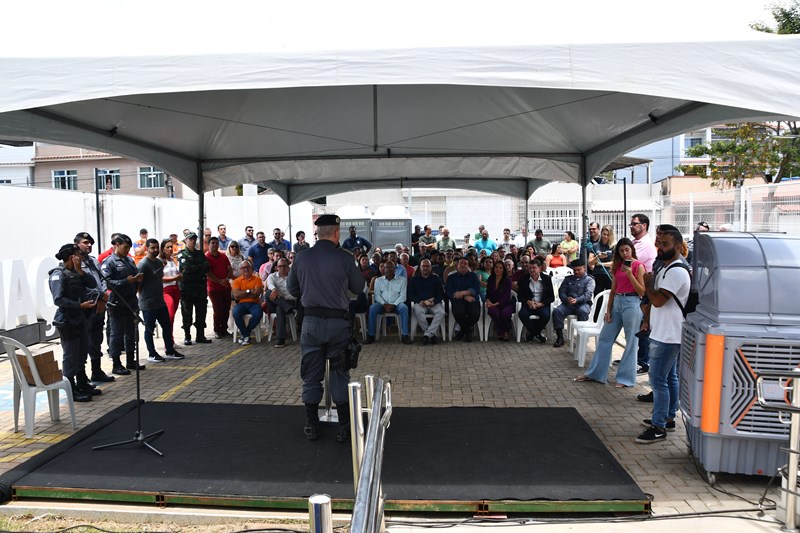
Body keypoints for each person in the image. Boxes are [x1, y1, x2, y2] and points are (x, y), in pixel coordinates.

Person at [287, 214, 365, 443]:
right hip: (337, 324)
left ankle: (312, 424)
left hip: (310, 322)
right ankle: (343, 427)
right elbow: (358, 288)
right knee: (340, 373)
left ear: (317, 233)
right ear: (336, 233)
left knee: (311, 376)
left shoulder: (301, 258)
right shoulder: (345, 257)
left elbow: (292, 289)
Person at [636, 229, 691, 444]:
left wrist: (648, 283)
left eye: (666, 244)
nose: (660, 247)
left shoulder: (677, 271)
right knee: (668, 378)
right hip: (665, 332)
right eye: (659, 243)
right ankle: (667, 417)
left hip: (668, 335)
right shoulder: (668, 268)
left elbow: (658, 300)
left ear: (678, 247)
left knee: (658, 380)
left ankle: (659, 426)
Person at [574, 238, 645, 388]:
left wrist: (630, 275)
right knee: (605, 338)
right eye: (621, 250)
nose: (625, 253)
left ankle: (626, 379)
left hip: (632, 303)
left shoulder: (638, 266)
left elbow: (642, 291)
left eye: (627, 250)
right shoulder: (618, 266)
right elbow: (613, 290)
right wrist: (608, 310)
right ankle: (595, 373)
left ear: (632, 249)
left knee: (631, 342)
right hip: (617, 302)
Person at [49, 243, 98, 402]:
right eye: (79, 255)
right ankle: (71, 389)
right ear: (72, 257)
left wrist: (80, 271)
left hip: (81, 318)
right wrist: (79, 305)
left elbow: (92, 284)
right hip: (68, 320)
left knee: (81, 353)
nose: (82, 258)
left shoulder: (77, 272)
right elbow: (58, 299)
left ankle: (82, 383)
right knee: (70, 355)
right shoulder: (58, 275)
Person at [101, 234, 146, 375]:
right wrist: (127, 281)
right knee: (117, 334)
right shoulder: (109, 262)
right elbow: (106, 282)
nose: (127, 250)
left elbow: (135, 275)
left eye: (129, 248)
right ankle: (116, 364)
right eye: (125, 247)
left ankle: (131, 360)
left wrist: (138, 279)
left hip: (131, 301)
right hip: (117, 302)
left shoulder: (129, 260)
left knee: (131, 333)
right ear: (117, 245)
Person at [73, 232, 114, 384]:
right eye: (85, 242)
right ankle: (81, 377)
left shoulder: (93, 261)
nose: (89, 245)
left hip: (99, 305)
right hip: (86, 307)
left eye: (90, 243)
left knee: (97, 339)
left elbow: (101, 280)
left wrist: (104, 295)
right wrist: (100, 296)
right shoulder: (73, 262)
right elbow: (81, 286)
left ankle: (96, 371)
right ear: (76, 244)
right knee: (84, 343)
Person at [138, 238, 185, 362]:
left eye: (156, 247)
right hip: (148, 303)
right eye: (152, 248)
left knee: (167, 326)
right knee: (149, 329)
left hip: (160, 301)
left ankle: (169, 350)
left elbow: (159, 279)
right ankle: (152, 353)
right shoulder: (143, 264)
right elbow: (138, 285)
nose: (154, 250)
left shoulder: (159, 263)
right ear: (147, 248)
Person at [364, 260, 412, 345]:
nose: (389, 269)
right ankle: (371, 335)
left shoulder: (402, 280)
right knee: (372, 308)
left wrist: (394, 305)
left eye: (391, 267)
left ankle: (405, 335)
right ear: (383, 269)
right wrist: (384, 304)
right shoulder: (378, 280)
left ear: (395, 269)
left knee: (404, 308)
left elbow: (403, 296)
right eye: (386, 267)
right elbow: (377, 295)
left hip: (397, 304)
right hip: (382, 304)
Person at [177, 232, 212, 345]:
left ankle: (200, 335)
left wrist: (195, 268)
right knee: (187, 313)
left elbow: (207, 267)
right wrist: (199, 267)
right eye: (190, 239)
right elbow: (186, 269)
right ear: (185, 240)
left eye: (194, 239)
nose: (193, 241)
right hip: (187, 288)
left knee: (201, 312)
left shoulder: (200, 253)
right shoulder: (182, 254)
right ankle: (187, 336)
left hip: (200, 287)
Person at [551, 259, 595, 347]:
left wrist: (577, 300)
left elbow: (588, 295)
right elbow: (561, 292)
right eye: (574, 270)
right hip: (568, 304)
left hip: (583, 304)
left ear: (584, 268)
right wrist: (567, 299)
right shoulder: (568, 279)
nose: (576, 272)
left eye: (579, 270)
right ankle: (560, 337)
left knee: (583, 311)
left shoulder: (589, 280)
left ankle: (581, 338)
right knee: (557, 311)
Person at [516, 258, 554, 343]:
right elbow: (520, 296)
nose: (531, 270)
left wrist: (541, 304)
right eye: (530, 268)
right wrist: (528, 302)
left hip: (541, 304)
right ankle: (538, 334)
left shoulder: (547, 279)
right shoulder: (523, 279)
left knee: (545, 315)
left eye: (534, 268)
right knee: (522, 314)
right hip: (529, 304)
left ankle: (532, 334)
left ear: (539, 268)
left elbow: (551, 297)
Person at [408, 259, 445, 345]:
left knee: (441, 312)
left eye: (427, 266)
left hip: (433, 303)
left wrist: (435, 302)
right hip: (420, 303)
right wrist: (419, 301)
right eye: (423, 266)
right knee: (418, 312)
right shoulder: (414, 279)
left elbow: (441, 293)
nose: (425, 268)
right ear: (419, 267)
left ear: (431, 267)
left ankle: (427, 335)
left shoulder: (436, 278)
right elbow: (410, 294)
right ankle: (431, 335)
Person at [446, 258, 482, 342]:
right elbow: (449, 291)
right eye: (461, 263)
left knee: (475, 314)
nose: (463, 265)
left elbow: (476, 289)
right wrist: (465, 296)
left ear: (468, 266)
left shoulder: (473, 276)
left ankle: (463, 330)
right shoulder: (451, 277)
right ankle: (468, 331)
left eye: (465, 264)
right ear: (457, 266)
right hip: (458, 300)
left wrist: (464, 292)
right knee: (458, 313)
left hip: (472, 299)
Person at [266, 257, 298, 348]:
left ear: (288, 267)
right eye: (280, 266)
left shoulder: (293, 277)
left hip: (290, 301)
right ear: (276, 267)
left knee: (280, 308)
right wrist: (274, 289)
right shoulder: (272, 276)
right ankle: (287, 307)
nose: (282, 268)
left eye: (284, 266)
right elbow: (270, 284)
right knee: (269, 293)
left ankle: (280, 339)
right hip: (276, 301)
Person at [206, 236, 233, 339]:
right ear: (209, 245)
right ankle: (217, 330)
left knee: (226, 309)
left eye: (216, 243)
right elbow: (208, 273)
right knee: (218, 310)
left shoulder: (223, 256)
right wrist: (219, 281)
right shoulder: (206, 257)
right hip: (214, 289)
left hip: (226, 287)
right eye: (212, 243)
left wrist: (226, 279)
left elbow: (229, 269)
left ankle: (224, 329)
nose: (215, 245)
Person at [231, 260, 264, 346]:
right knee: (236, 313)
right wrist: (249, 291)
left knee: (258, 313)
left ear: (251, 268)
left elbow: (257, 293)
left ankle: (245, 334)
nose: (246, 269)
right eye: (243, 268)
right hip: (241, 304)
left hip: (254, 304)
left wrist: (243, 294)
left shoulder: (257, 279)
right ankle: (246, 335)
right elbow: (236, 295)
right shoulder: (237, 281)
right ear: (241, 270)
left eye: (248, 267)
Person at [160, 238, 182, 344]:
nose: (170, 249)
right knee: (170, 316)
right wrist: (174, 279)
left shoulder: (172, 260)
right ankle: (167, 343)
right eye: (167, 247)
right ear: (163, 249)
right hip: (166, 290)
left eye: (171, 247)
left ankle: (171, 341)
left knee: (173, 317)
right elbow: (160, 278)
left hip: (175, 289)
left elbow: (176, 274)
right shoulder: (161, 261)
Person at [485, 260, 514, 341]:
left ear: (503, 269)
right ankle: (503, 332)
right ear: (494, 268)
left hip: (506, 304)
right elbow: (487, 293)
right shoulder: (491, 278)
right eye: (496, 267)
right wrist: (488, 300)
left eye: (501, 268)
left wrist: (496, 304)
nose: (498, 269)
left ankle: (505, 331)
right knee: (493, 311)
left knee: (505, 313)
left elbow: (506, 297)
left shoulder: (507, 280)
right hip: (493, 303)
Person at [588, 224, 616, 295]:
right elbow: (590, 263)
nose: (605, 236)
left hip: (609, 274)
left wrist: (600, 264)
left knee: (610, 296)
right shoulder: (595, 245)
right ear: (601, 233)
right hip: (597, 274)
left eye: (608, 235)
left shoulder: (614, 246)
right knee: (598, 296)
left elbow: (615, 262)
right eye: (604, 234)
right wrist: (598, 257)